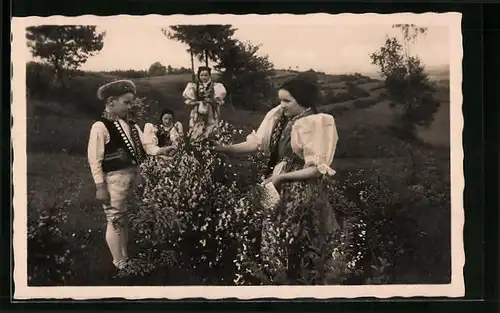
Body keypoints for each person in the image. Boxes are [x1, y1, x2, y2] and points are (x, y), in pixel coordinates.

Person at [215, 78, 340, 284]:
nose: (282, 105)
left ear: (303, 101)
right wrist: (226, 148)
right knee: (271, 233)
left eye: (287, 101)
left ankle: (305, 282)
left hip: (300, 187)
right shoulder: (279, 116)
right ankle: (275, 279)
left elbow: (316, 170)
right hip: (278, 181)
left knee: (301, 235)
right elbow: (256, 143)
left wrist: (281, 177)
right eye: (281, 100)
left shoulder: (315, 123)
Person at [87, 79, 171, 271]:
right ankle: (119, 262)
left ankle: (124, 257)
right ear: (111, 101)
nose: (129, 106)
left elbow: (146, 145)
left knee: (125, 218)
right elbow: (95, 159)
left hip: (132, 177)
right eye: (126, 102)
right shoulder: (100, 126)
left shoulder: (131, 125)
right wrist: (100, 186)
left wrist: (160, 151)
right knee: (115, 218)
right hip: (113, 180)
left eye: (130, 102)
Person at [182, 67, 227, 140]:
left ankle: (210, 143)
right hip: (198, 110)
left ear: (209, 76)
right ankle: (197, 143)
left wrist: (211, 101)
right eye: (201, 75)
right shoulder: (194, 86)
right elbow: (190, 102)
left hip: (210, 111)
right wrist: (198, 102)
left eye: (206, 75)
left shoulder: (215, 86)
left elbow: (217, 102)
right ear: (199, 76)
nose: (204, 77)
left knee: (211, 127)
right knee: (197, 127)